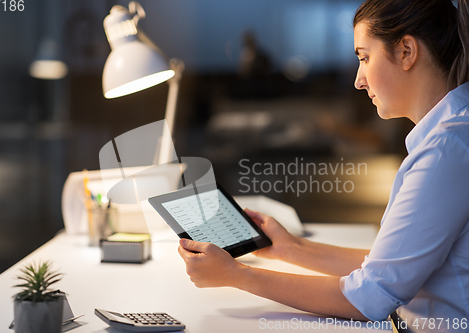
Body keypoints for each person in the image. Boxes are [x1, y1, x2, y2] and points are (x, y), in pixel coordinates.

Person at [178, 0, 469, 330]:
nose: (359, 79)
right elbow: (385, 269)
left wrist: (235, 275)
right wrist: (290, 248)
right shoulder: (453, 136)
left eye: (364, 57)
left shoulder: (447, 150)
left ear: (406, 52)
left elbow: (371, 296)